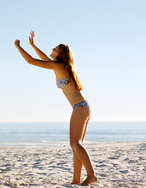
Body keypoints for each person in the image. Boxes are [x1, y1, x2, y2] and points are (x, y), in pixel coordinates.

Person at [14, 31, 98, 186]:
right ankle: (75, 181)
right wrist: (33, 45)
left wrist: (18, 46)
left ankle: (92, 175)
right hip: (81, 108)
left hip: (80, 108)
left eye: (55, 49)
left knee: (75, 144)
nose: (52, 50)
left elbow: (31, 61)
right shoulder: (60, 66)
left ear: (60, 55)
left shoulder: (59, 66)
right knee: (75, 145)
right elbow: (44, 58)